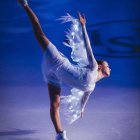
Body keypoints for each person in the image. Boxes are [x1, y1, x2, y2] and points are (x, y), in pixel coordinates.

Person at [17, 0, 111, 140]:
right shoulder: (92, 68)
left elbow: (84, 99)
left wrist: (82, 109)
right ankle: (25, 5)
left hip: (52, 75)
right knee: (39, 31)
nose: (110, 67)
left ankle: (60, 135)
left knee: (55, 105)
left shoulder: (92, 87)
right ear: (100, 66)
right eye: (107, 65)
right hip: (57, 60)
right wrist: (83, 26)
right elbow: (88, 46)